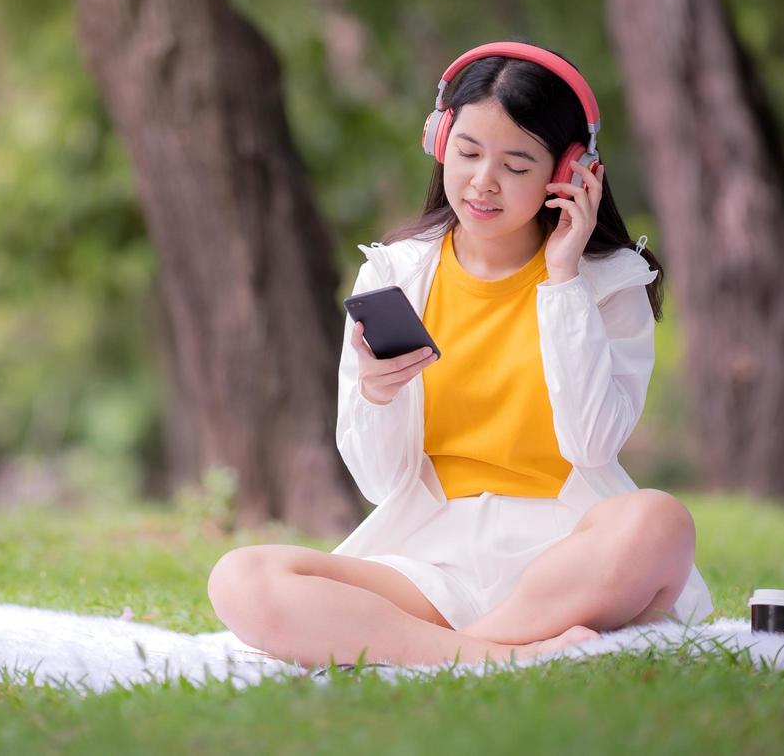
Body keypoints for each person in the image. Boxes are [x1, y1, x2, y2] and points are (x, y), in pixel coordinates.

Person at [207, 42, 714, 669]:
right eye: (469, 152)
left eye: (517, 164)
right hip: (431, 565)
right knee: (241, 576)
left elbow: (591, 445)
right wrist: (378, 393)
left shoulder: (610, 283)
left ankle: (453, 651)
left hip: (568, 554)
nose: (482, 182)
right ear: (441, 139)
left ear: (569, 171)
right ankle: (491, 655)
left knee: (659, 522)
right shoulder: (394, 276)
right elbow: (380, 482)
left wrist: (562, 283)